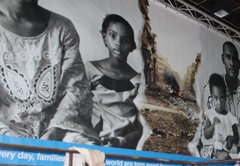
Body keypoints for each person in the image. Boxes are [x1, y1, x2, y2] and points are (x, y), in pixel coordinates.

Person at [0, 0, 98, 143]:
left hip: (56, 127)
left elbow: (75, 87)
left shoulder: (62, 29)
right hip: (4, 128)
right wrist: (9, 136)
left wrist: (55, 130)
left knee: (81, 155)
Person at [86, 14, 143, 149]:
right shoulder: (89, 70)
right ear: (104, 37)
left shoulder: (139, 82)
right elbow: (76, 112)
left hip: (124, 148)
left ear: (132, 47)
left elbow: (142, 126)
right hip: (91, 145)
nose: (118, 43)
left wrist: (121, 142)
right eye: (113, 36)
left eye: (125, 40)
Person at [202, 41, 240, 153]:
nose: (231, 63)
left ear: (239, 63)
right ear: (223, 59)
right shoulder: (211, 88)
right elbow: (205, 133)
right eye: (228, 57)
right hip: (216, 153)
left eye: (234, 59)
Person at [199, 73, 239, 159]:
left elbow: (237, 137)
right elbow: (206, 134)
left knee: (232, 154)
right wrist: (213, 125)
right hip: (213, 150)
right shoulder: (210, 114)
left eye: (222, 98)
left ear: (226, 98)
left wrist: (232, 138)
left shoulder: (231, 117)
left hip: (226, 149)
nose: (219, 102)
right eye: (215, 98)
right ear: (212, 98)